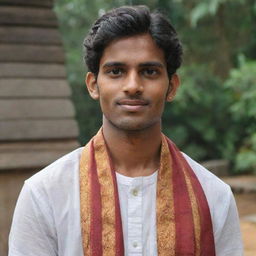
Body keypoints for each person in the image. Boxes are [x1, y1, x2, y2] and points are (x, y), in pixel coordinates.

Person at [9, 5, 243, 256]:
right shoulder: (45, 194)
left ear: (172, 86)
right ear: (93, 85)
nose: (133, 86)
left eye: (149, 72)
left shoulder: (214, 197)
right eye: (116, 71)